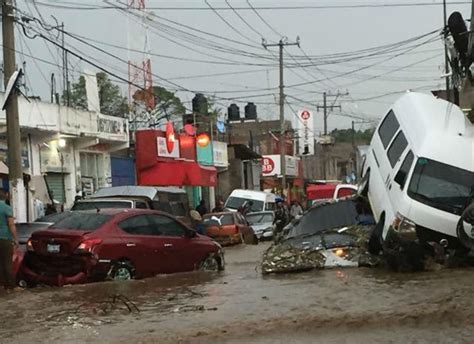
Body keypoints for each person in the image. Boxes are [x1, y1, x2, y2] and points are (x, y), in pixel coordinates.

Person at [0, 189, 18, 291]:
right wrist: (16, 239)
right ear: (6, 195)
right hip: (5, 238)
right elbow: (11, 225)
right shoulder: (7, 208)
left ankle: (1, 285)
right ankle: (11, 286)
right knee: (7, 263)